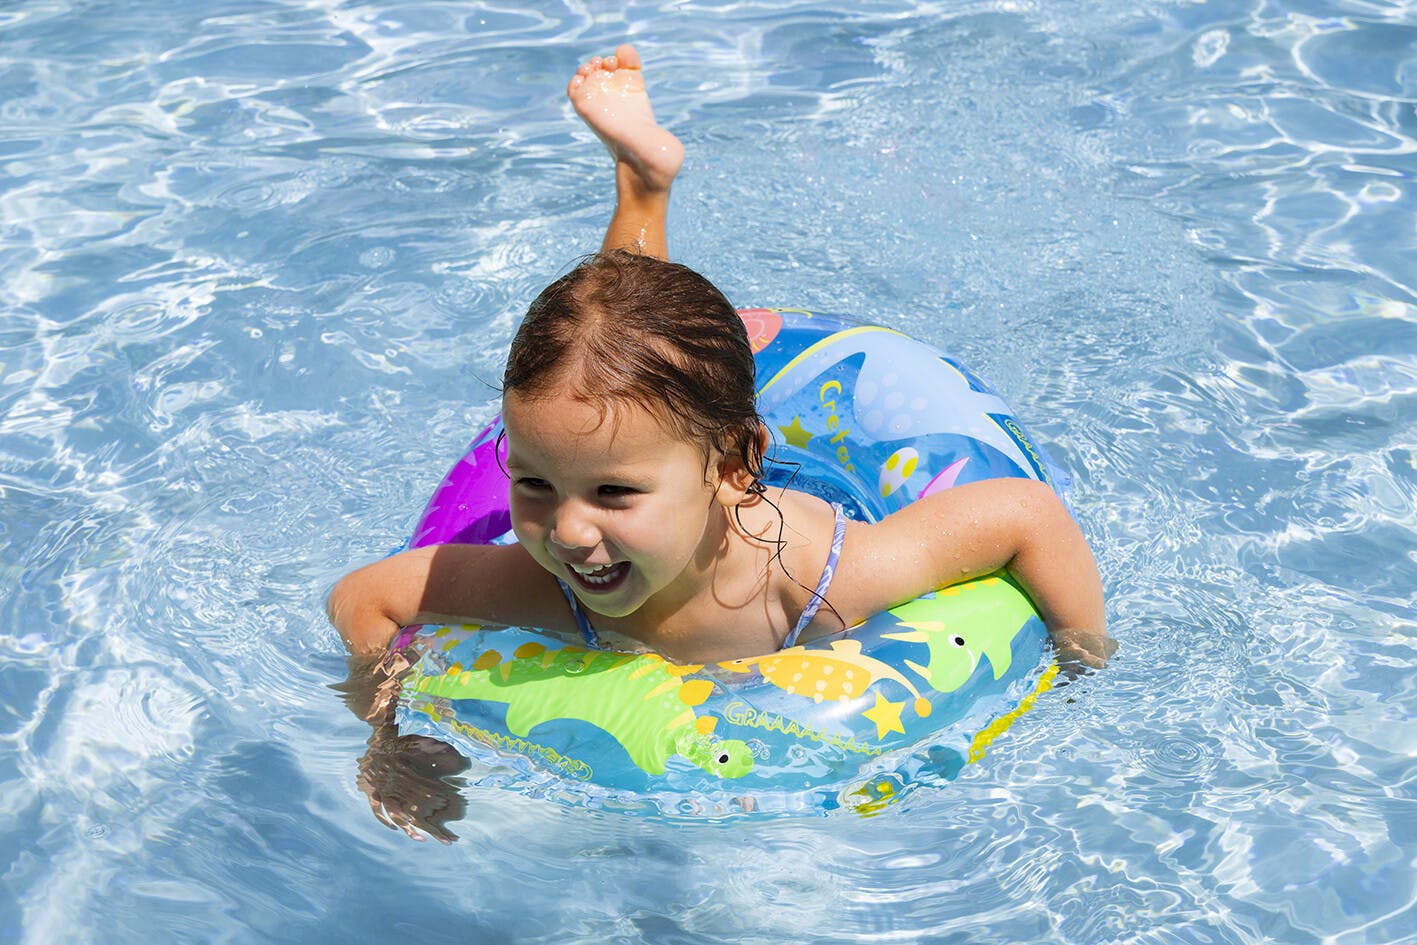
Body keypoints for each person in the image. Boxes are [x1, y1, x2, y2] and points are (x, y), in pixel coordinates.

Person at [328, 44, 1110, 672]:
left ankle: (643, 185)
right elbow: (362, 598)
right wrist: (392, 734)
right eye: (532, 482)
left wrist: (1083, 660)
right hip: (665, 425)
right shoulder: (549, 582)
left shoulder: (818, 583)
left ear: (737, 467)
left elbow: (1026, 515)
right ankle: (641, 187)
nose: (565, 530)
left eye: (611, 492)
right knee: (615, 341)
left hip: (796, 513)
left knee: (640, 378)